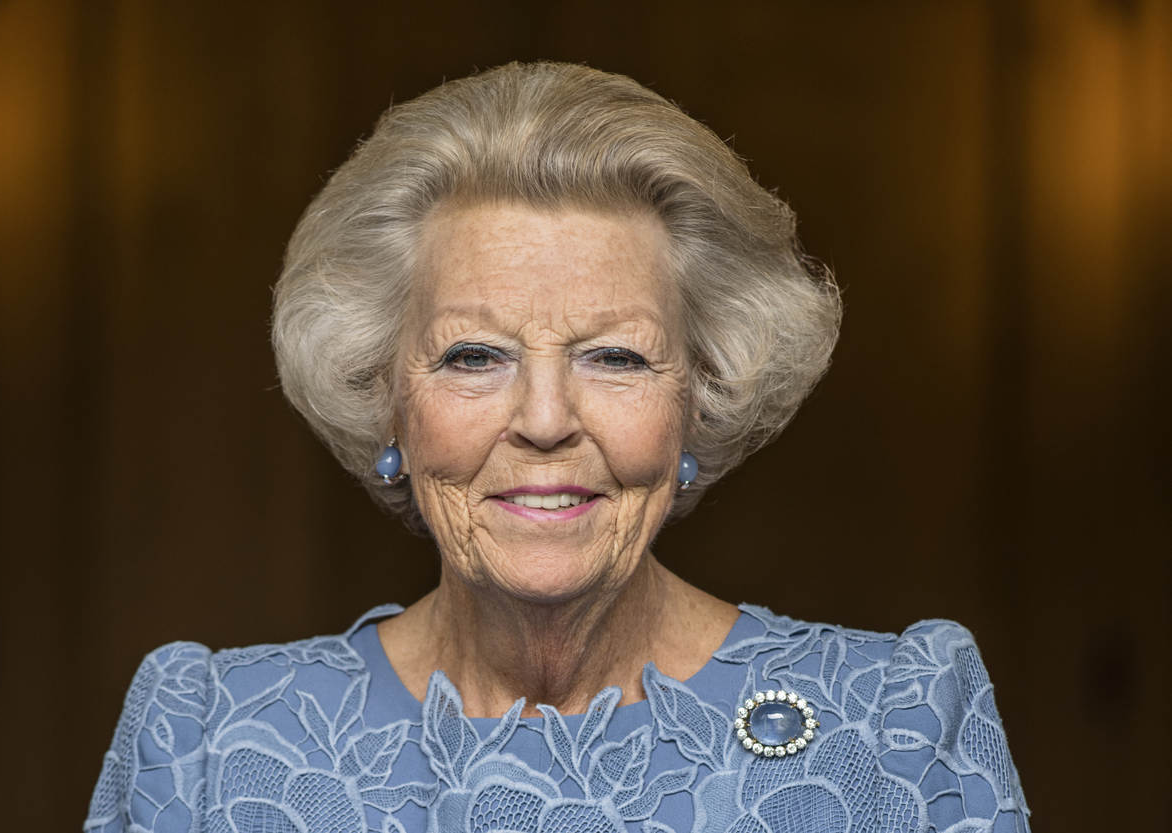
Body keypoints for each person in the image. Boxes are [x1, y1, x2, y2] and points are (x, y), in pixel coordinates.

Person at [83, 62, 1029, 833]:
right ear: (384, 399)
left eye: (615, 356)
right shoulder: (206, 750)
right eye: (473, 355)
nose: (544, 419)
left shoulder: (896, 729)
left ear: (700, 397)